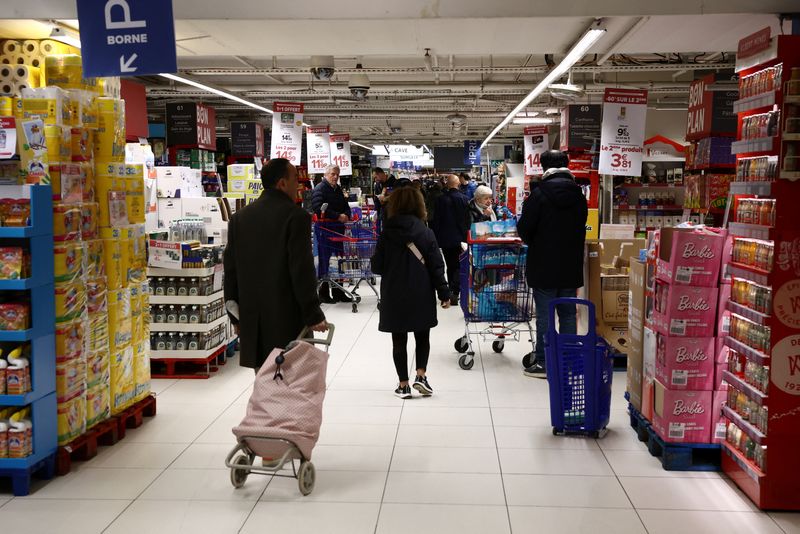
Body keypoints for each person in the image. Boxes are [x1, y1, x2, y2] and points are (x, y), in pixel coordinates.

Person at [223, 158, 329, 372]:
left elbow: (231, 270)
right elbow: (301, 269)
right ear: (282, 183)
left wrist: (235, 315)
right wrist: (313, 313)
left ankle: (265, 407)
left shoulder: (240, 218)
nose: (298, 186)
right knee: (291, 381)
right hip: (287, 317)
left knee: (264, 380)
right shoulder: (296, 217)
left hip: (254, 318)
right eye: (294, 180)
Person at [371, 187, 451, 399]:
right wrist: (444, 293)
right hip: (421, 290)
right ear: (419, 205)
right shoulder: (426, 232)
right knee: (422, 335)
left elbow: (377, 267)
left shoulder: (386, 234)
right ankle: (421, 376)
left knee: (399, 339)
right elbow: (436, 266)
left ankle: (403, 385)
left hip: (394, 292)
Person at [517, 150, 588, 378]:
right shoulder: (579, 195)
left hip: (543, 263)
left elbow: (525, 228)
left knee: (545, 315)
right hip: (570, 263)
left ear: (544, 166)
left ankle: (544, 362)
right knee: (568, 314)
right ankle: (568, 363)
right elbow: (582, 225)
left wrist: (537, 242)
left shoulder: (538, 195)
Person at [312, 164, 352, 303]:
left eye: (337, 174)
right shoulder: (320, 189)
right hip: (325, 230)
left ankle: (338, 291)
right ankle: (323, 293)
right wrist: (337, 216)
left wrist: (347, 215)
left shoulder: (338, 189)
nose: (335, 177)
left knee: (339, 261)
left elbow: (345, 206)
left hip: (338, 230)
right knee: (325, 261)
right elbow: (317, 208)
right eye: (333, 174)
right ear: (326, 174)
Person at [430, 174, 469, 306]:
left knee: (450, 264)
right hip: (461, 238)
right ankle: (455, 291)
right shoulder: (464, 199)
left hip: (445, 238)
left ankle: (451, 288)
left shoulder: (440, 200)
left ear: (447, 184)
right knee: (459, 264)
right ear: (458, 184)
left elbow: (436, 221)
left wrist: (435, 237)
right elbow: (467, 220)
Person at [372, 167, 396, 234]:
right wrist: (375, 214)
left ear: (380, 174)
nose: (375, 180)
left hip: (393, 214)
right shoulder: (377, 185)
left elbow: (397, 197)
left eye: (376, 177)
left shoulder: (394, 182)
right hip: (383, 214)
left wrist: (386, 198)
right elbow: (376, 201)